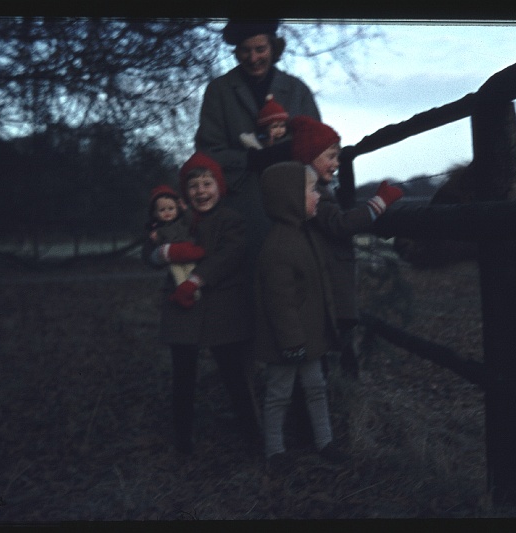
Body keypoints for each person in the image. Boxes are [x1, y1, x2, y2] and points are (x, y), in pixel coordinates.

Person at [142, 152, 259, 455]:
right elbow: (151, 246)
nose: (201, 192)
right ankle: (183, 444)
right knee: (183, 378)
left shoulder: (231, 219)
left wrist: (198, 279)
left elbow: (228, 256)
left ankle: (254, 440)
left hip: (221, 306)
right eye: (193, 187)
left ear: (219, 187)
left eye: (207, 184)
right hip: (183, 309)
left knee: (234, 376)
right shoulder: (178, 218)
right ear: (185, 193)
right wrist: (160, 254)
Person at [194, 19, 321, 269]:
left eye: (260, 49)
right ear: (236, 52)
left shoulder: (297, 90)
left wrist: (290, 151)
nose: (253, 58)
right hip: (241, 213)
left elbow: (318, 146)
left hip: (293, 211)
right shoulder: (218, 91)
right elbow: (208, 153)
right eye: (245, 50)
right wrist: (251, 160)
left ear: (274, 48)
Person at [288, 115, 404, 378]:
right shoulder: (313, 195)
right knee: (328, 350)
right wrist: (379, 203)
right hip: (327, 287)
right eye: (330, 156)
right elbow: (340, 224)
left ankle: (336, 392)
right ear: (310, 157)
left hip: (327, 284)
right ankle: (334, 395)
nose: (336, 164)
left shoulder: (317, 189)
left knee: (331, 349)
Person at [255, 160, 350, 472]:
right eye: (312, 190)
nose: (319, 195)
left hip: (309, 337)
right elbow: (279, 302)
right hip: (287, 341)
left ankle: (324, 441)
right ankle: (274, 450)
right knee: (279, 393)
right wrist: (292, 342)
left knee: (316, 388)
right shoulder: (279, 246)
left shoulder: (304, 234)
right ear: (290, 199)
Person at [145, 185, 200, 299]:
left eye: (171, 209)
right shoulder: (159, 229)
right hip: (173, 259)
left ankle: (196, 294)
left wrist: (185, 209)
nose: (167, 212)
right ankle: (183, 295)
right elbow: (158, 245)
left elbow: (191, 220)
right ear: (155, 213)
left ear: (177, 208)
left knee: (192, 274)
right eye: (162, 210)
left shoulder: (181, 222)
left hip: (188, 253)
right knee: (178, 276)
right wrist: (155, 239)